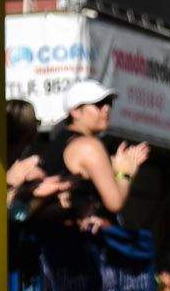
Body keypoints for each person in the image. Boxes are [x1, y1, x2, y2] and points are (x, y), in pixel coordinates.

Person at [38, 79, 150, 225]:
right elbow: (115, 203)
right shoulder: (89, 146)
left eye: (109, 103)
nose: (106, 109)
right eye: (98, 104)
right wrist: (125, 173)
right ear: (76, 111)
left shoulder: (61, 140)